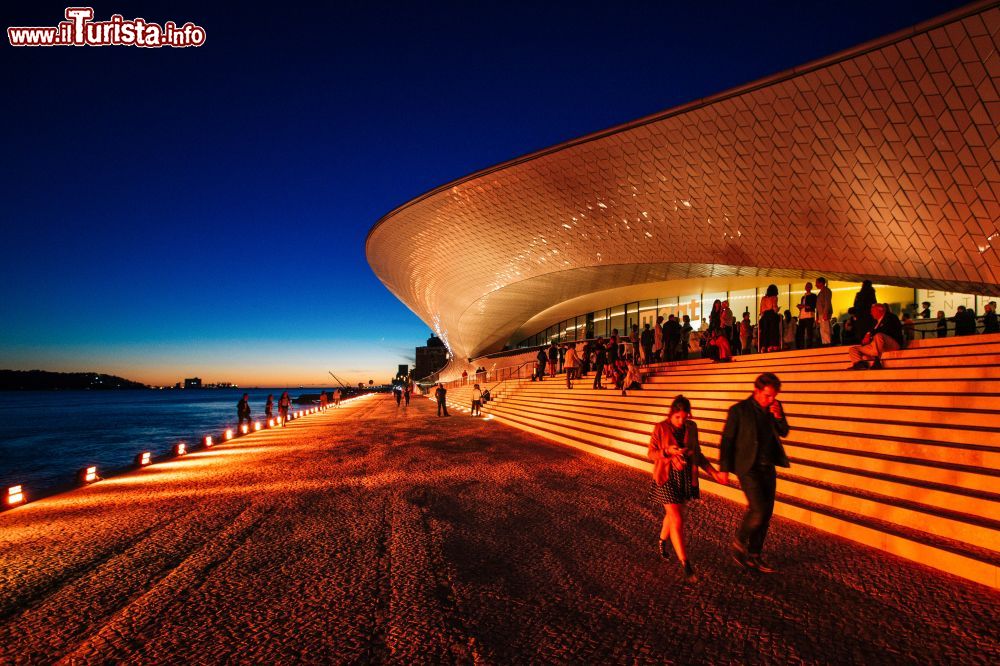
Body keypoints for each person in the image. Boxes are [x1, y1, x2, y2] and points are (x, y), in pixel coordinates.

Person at [648, 395, 726, 583]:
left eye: (685, 417)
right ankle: (686, 566)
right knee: (677, 518)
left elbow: (698, 455)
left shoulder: (692, 427)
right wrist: (668, 452)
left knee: (672, 515)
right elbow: (651, 453)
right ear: (671, 414)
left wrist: (714, 473)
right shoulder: (660, 427)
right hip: (665, 477)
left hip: (684, 477)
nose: (682, 421)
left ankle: (662, 541)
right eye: (678, 417)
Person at [717, 373, 790, 573]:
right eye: (767, 395)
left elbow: (784, 431)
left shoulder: (775, 407)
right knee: (758, 509)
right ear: (756, 391)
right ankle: (739, 543)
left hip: (768, 466)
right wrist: (724, 469)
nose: (771, 400)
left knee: (766, 513)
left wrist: (778, 416)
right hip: (747, 467)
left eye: (774, 396)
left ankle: (755, 555)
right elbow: (727, 440)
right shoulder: (739, 411)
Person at [849, 303, 904, 369]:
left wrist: (870, 334)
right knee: (853, 349)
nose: (871, 313)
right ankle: (859, 364)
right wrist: (865, 341)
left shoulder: (891, 317)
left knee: (878, 335)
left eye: (873, 311)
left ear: (880, 310)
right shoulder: (875, 322)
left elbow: (886, 330)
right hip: (876, 346)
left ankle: (877, 361)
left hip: (892, 343)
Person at [758, 285, 781, 352]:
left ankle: (764, 346)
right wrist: (777, 309)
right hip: (771, 315)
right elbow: (774, 308)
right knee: (773, 330)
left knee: (765, 331)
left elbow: (761, 310)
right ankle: (772, 345)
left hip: (764, 316)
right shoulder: (774, 297)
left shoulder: (763, 298)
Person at [796, 282, 817, 349]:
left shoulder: (813, 296)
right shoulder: (803, 297)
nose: (807, 287)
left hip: (809, 315)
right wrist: (800, 307)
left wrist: (804, 306)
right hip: (802, 315)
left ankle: (809, 346)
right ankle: (801, 346)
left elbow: (813, 306)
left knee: (809, 332)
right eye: (806, 286)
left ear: (811, 287)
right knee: (801, 332)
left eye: (808, 286)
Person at [815, 277, 833, 346]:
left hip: (824, 313)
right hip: (821, 313)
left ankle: (827, 343)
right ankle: (825, 343)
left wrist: (825, 313)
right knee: (822, 330)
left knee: (825, 329)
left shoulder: (826, 291)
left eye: (817, 283)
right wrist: (817, 316)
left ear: (821, 283)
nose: (816, 285)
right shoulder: (821, 292)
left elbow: (827, 302)